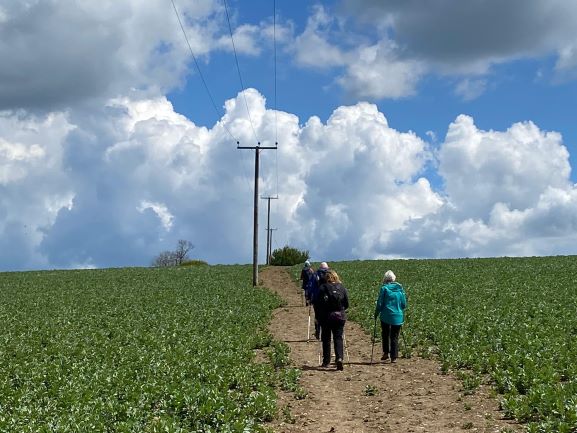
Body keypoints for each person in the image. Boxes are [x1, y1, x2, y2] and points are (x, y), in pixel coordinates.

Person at [316, 269, 349, 370]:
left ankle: (326, 361)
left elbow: (318, 304)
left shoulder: (322, 288)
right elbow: (347, 304)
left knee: (326, 339)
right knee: (338, 338)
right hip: (339, 316)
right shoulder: (342, 287)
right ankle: (339, 358)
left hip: (326, 317)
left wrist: (317, 317)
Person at [374, 270, 407, 363]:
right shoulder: (400, 289)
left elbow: (380, 303)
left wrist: (376, 313)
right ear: (394, 279)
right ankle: (394, 356)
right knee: (395, 336)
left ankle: (386, 353)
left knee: (385, 334)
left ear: (385, 279)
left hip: (386, 315)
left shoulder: (384, 289)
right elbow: (404, 304)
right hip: (398, 316)